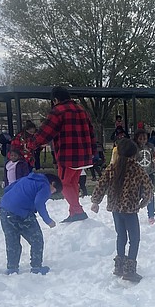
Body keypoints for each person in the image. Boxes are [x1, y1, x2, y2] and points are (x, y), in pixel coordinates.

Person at [28, 86, 96, 223]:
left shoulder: (58, 111)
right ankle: (73, 213)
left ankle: (78, 211)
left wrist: (31, 145)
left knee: (63, 183)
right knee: (73, 183)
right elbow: (91, 131)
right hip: (84, 154)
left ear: (55, 99)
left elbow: (45, 132)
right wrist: (93, 151)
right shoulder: (82, 110)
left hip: (68, 155)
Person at [90, 138, 154, 283]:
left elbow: (101, 184)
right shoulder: (137, 169)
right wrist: (143, 202)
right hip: (130, 209)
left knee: (121, 236)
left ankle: (119, 266)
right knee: (135, 239)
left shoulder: (112, 168)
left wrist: (95, 202)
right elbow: (148, 187)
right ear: (134, 154)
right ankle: (129, 270)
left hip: (115, 208)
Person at [0, 171, 62, 275]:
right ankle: (36, 267)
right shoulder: (45, 185)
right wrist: (48, 220)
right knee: (37, 239)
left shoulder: (27, 178)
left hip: (4, 209)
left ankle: (12, 268)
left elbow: (8, 188)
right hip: (22, 212)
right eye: (54, 191)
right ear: (53, 183)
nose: (50, 194)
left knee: (12, 240)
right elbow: (39, 203)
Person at [135, 128, 155, 224]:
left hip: (149, 173)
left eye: (144, 139)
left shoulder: (150, 146)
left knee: (150, 194)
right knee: (136, 194)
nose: (143, 141)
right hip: (137, 175)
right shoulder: (134, 147)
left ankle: (151, 215)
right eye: (140, 139)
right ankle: (133, 211)